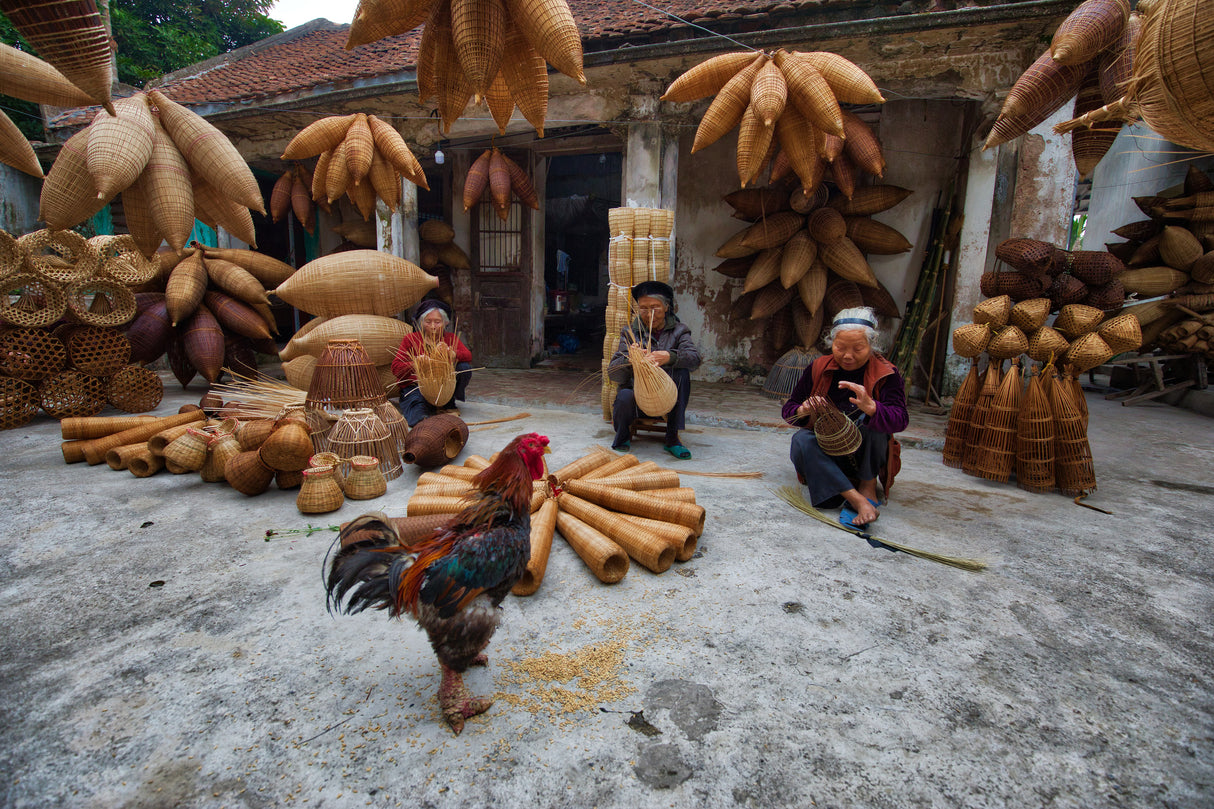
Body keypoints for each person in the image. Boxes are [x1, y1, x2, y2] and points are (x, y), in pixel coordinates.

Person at [782, 307, 908, 528]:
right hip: (824, 454)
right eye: (840, 347)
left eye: (858, 348)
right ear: (832, 342)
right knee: (802, 440)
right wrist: (802, 410)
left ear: (872, 345)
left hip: (863, 457)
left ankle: (867, 486)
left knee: (873, 423)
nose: (847, 355)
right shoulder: (819, 367)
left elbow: (900, 419)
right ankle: (858, 499)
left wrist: (872, 408)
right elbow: (789, 409)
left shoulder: (886, 373)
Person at [607, 280, 702, 459]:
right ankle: (622, 436)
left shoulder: (680, 331)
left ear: (666, 307)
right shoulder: (630, 332)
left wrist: (670, 357)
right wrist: (631, 360)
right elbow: (614, 373)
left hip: (668, 398)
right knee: (624, 395)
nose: (649, 313)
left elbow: (694, 360)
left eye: (655, 307)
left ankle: (672, 439)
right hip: (638, 397)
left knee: (682, 374)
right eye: (643, 308)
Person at [391, 298, 473, 427]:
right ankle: (427, 410)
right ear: (421, 322)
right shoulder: (411, 339)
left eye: (437, 322)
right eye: (428, 321)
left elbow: (468, 355)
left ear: (445, 322)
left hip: (443, 389)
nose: (433, 326)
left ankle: (447, 403)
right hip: (417, 387)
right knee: (419, 417)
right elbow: (396, 368)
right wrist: (415, 364)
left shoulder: (450, 338)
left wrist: (453, 354)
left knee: (464, 367)